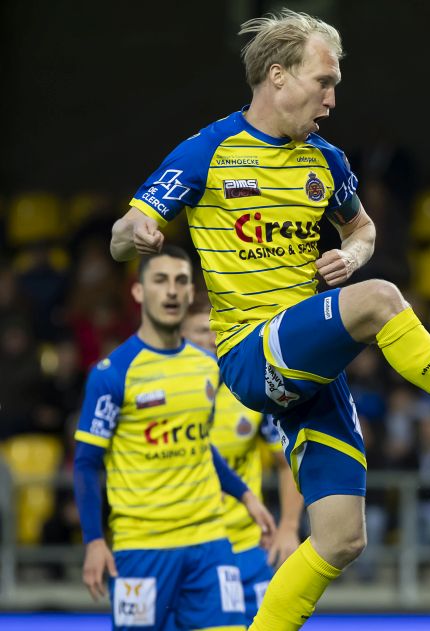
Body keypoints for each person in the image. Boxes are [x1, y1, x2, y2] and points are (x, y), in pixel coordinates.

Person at [108, 10, 430, 630]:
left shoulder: (326, 161)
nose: (332, 99)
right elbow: (121, 235)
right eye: (324, 82)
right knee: (382, 299)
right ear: (278, 76)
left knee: (342, 537)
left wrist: (353, 254)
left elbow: (362, 228)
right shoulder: (208, 150)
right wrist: (137, 232)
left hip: (309, 368)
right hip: (251, 353)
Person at [73, 246, 277, 630]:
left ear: (189, 292)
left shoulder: (207, 368)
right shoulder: (112, 373)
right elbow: (86, 463)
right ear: (138, 291)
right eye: (160, 280)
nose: (171, 290)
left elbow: (200, 447)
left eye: (181, 281)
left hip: (209, 541)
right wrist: (94, 540)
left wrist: (246, 496)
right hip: (142, 548)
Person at [182, 307, 304, 622]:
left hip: (248, 547)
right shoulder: (170, 398)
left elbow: (287, 462)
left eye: (215, 331)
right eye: (200, 331)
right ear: (180, 337)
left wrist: (289, 527)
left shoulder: (250, 392)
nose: (210, 339)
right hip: (190, 546)